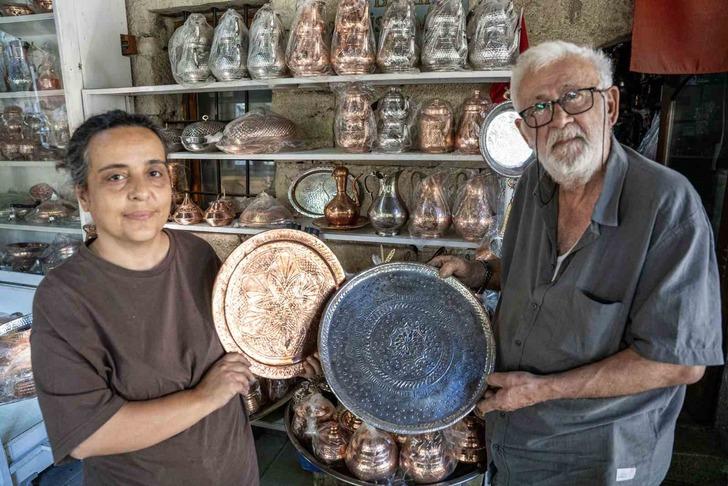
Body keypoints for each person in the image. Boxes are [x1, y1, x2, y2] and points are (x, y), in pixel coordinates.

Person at [430, 41, 724, 485]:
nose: (561, 119)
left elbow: (678, 362)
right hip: (514, 443)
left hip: (598, 458)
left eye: (574, 97)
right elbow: (536, 279)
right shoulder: (535, 182)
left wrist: (542, 390)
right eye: (540, 108)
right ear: (525, 130)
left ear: (609, 104)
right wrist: (481, 274)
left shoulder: (667, 204)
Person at [29, 110, 321, 485]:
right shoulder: (65, 298)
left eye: (153, 172)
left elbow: (241, 344)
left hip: (234, 471)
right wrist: (205, 397)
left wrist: (294, 352)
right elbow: (88, 435)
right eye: (116, 176)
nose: (141, 190)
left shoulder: (197, 254)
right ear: (84, 194)